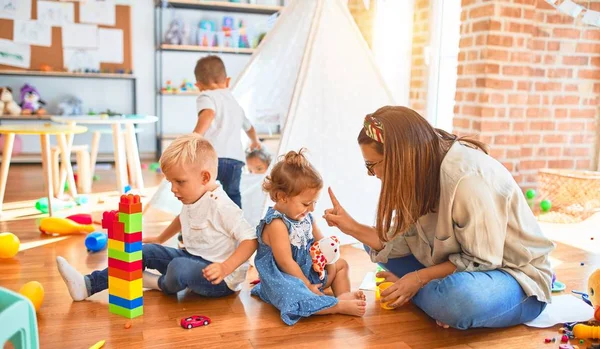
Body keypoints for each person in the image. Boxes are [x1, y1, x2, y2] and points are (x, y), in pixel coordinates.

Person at [323, 106, 554, 330]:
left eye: (371, 165)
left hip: (514, 278)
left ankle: (426, 297)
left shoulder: (468, 179)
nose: (371, 174)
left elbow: (481, 262)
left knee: (457, 300)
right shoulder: (421, 168)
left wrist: (415, 279)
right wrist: (350, 226)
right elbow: (408, 237)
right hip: (452, 264)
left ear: (399, 157)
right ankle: (429, 297)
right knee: (372, 240)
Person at [57, 134, 258, 300]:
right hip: (193, 258)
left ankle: (159, 284)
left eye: (179, 182)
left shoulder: (222, 206)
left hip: (220, 280)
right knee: (145, 251)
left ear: (205, 178)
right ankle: (88, 285)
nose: (173, 189)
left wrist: (225, 268)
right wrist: (161, 239)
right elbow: (184, 217)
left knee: (179, 268)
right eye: (170, 182)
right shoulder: (195, 196)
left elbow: (250, 240)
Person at [251, 150, 366, 325]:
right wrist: (306, 285)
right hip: (285, 278)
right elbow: (286, 263)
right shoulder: (276, 224)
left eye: (314, 203)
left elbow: (322, 244)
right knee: (293, 293)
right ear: (282, 197)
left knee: (342, 265)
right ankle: (336, 306)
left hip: (309, 272)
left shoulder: (305, 217)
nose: (311, 209)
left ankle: (342, 296)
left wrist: (331, 262)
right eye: (306, 203)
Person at [193, 55, 261, 208]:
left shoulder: (206, 96)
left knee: (201, 193)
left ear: (198, 85)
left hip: (212, 158)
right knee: (233, 194)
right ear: (228, 81)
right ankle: (236, 228)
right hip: (235, 160)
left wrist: (194, 137)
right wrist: (255, 141)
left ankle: (196, 225)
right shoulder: (235, 103)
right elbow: (249, 127)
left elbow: (208, 114)